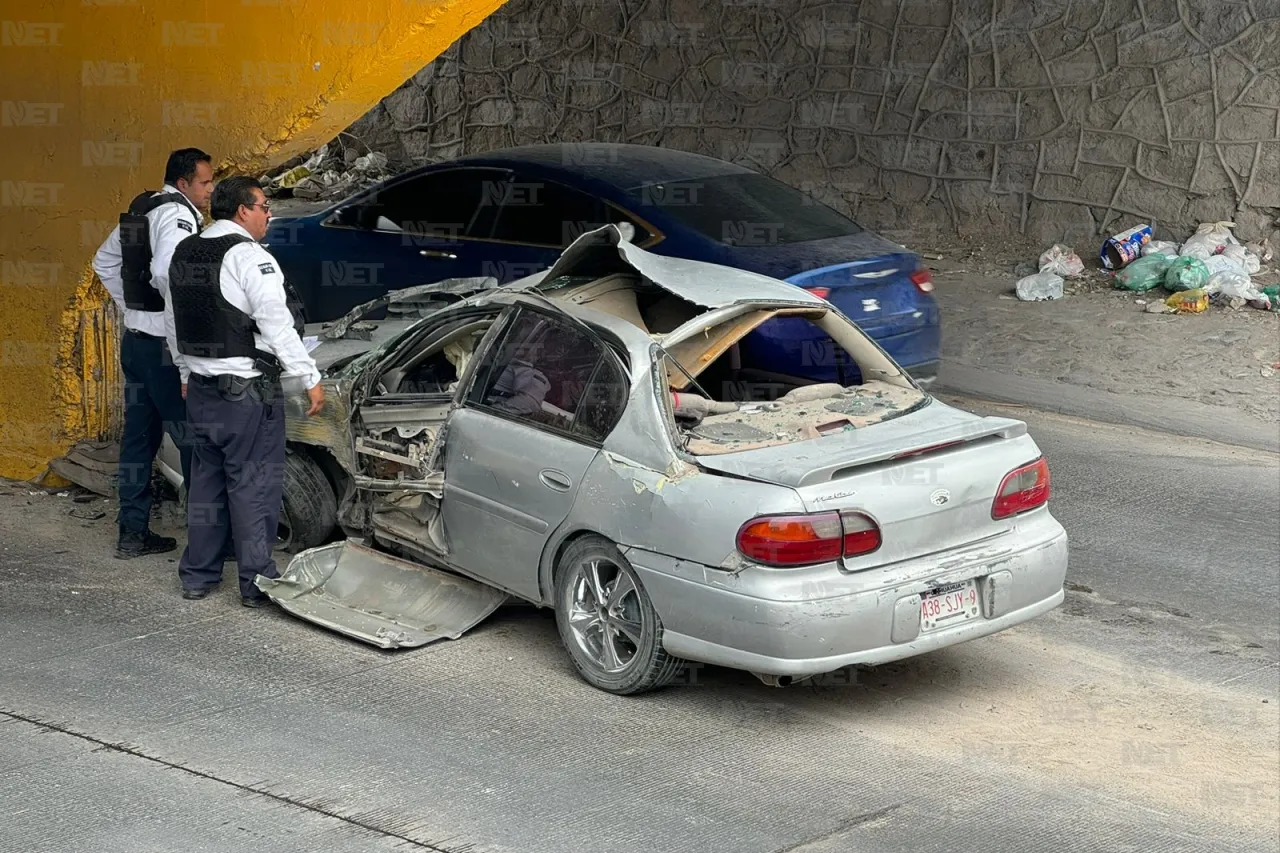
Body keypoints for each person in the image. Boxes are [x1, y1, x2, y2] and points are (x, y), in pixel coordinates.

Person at [168, 176, 324, 607]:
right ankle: (256, 582)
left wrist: (184, 369)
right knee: (253, 486)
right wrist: (308, 375)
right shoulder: (249, 256)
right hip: (246, 394)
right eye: (264, 207)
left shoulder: (186, 251)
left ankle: (198, 576)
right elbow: (276, 322)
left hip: (201, 390)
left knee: (206, 484)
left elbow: (172, 319)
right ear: (242, 211)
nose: (269, 215)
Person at [92, 148, 214, 559]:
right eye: (204, 182)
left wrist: (132, 310)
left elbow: (104, 261)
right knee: (195, 443)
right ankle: (207, 544)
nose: (210, 190)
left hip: (136, 343)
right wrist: (178, 345)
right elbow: (166, 272)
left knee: (137, 444)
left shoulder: (143, 207)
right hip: (165, 349)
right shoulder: (176, 216)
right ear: (183, 184)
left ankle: (132, 534)